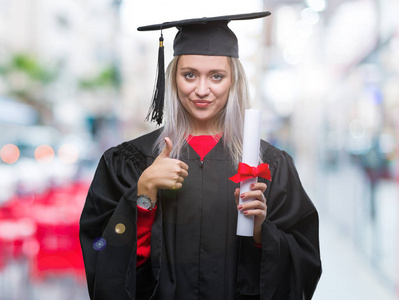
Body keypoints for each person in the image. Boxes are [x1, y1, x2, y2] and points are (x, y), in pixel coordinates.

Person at [79, 12, 322, 300]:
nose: (202, 90)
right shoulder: (129, 162)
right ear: (174, 79)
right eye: (189, 75)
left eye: (216, 76)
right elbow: (100, 250)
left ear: (234, 81)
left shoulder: (270, 164)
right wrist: (142, 196)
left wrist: (262, 234)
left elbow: (304, 263)